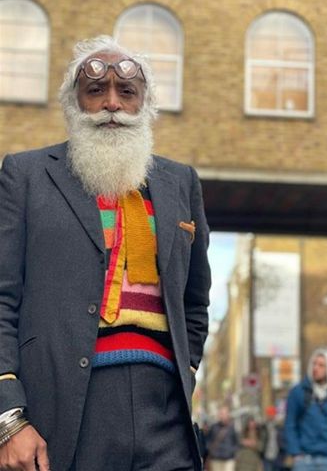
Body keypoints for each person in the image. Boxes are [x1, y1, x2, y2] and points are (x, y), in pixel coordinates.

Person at [0, 35, 212, 471]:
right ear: (74, 102)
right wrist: (10, 418)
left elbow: (195, 300)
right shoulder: (26, 176)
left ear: (145, 104)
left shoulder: (180, 183)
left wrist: (185, 371)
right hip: (66, 408)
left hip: (166, 413)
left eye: (126, 92)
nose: (111, 103)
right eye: (96, 91)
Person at [284, 350, 327, 471]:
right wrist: (295, 453)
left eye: (321, 365)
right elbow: (290, 424)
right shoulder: (298, 392)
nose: (315, 368)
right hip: (305, 460)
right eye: (314, 364)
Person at [208, 407, 240, 471]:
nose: (223, 415)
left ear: (228, 415)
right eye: (221, 413)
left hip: (228, 460)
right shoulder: (214, 427)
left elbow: (236, 443)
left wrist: (231, 451)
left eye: (225, 413)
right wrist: (213, 452)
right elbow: (208, 441)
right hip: (216, 459)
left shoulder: (232, 428)